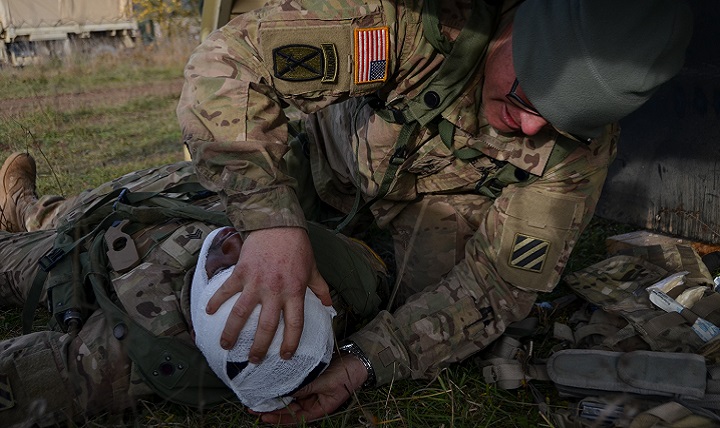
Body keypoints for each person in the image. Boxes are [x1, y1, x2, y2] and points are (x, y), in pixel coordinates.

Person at [176, 0, 694, 423]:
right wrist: (271, 223)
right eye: (528, 93)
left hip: (432, 211)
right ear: (517, 24)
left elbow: (498, 285)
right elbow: (222, 64)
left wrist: (364, 362)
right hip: (326, 167)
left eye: (561, 122)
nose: (534, 128)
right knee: (218, 257)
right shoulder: (413, 22)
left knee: (422, 311)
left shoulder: (578, 153)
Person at [0, 152, 387, 427]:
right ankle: (30, 210)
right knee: (68, 214)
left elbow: (27, 378)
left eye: (224, 275)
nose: (236, 244)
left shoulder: (125, 356)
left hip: (88, 252)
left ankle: (32, 214)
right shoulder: (350, 272)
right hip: (159, 202)